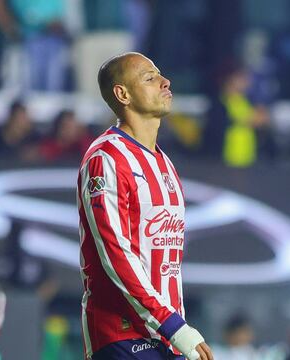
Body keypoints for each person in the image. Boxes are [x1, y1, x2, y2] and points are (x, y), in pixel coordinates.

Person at [77, 52, 213, 360]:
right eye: (150, 78)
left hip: (168, 335)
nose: (166, 82)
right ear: (122, 94)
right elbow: (115, 251)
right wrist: (172, 324)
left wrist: (175, 325)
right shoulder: (106, 158)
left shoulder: (165, 163)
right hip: (122, 334)